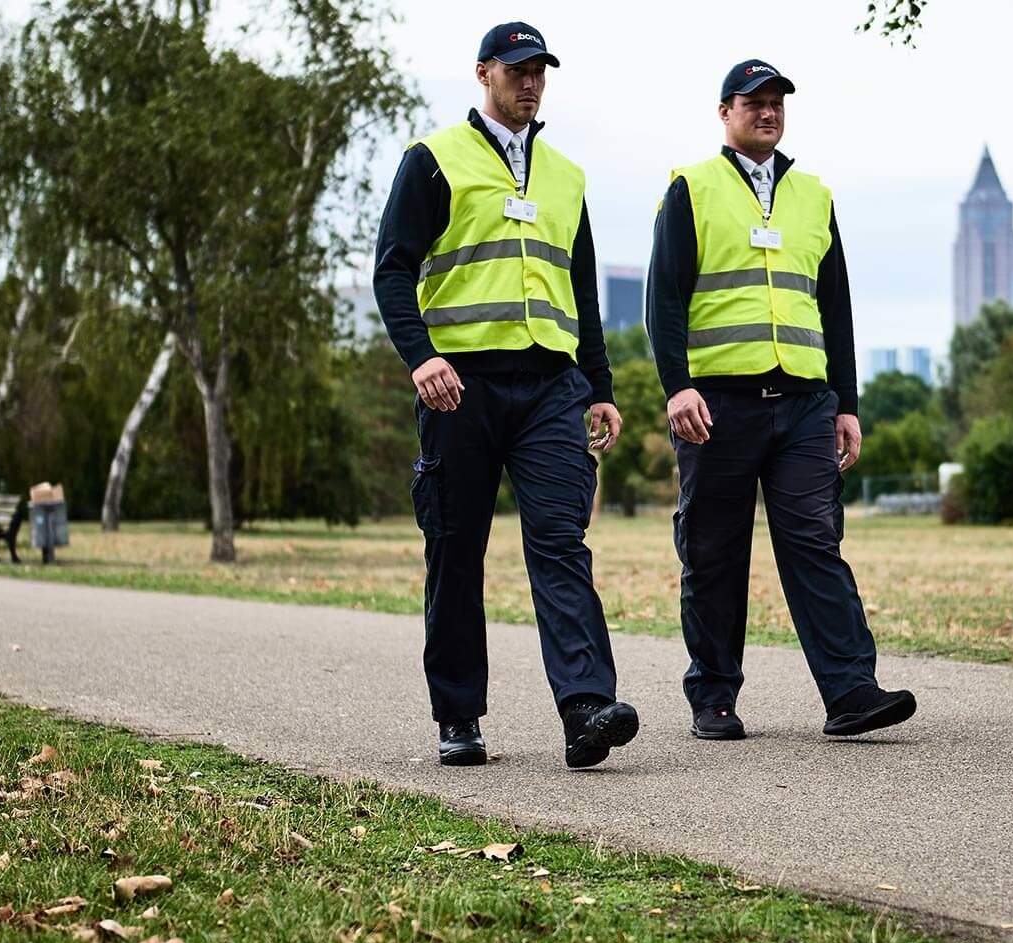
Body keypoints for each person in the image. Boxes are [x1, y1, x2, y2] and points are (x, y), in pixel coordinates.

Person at [372, 21, 638, 769]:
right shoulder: (434, 161)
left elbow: (581, 293)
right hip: (461, 385)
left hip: (553, 387)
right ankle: (458, 715)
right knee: (457, 549)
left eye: (540, 72)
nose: (531, 83)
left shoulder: (566, 176)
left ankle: (586, 707)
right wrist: (421, 358)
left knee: (561, 541)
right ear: (483, 73)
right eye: (517, 70)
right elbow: (393, 270)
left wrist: (600, 387)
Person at [647, 59, 917, 741]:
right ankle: (714, 695)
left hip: (802, 403)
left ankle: (851, 689)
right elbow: (665, 299)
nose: (767, 112)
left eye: (776, 103)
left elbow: (836, 308)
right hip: (718, 405)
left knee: (815, 540)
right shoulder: (691, 188)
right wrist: (677, 385)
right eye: (753, 102)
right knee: (712, 551)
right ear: (724, 111)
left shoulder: (814, 196)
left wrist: (846, 403)